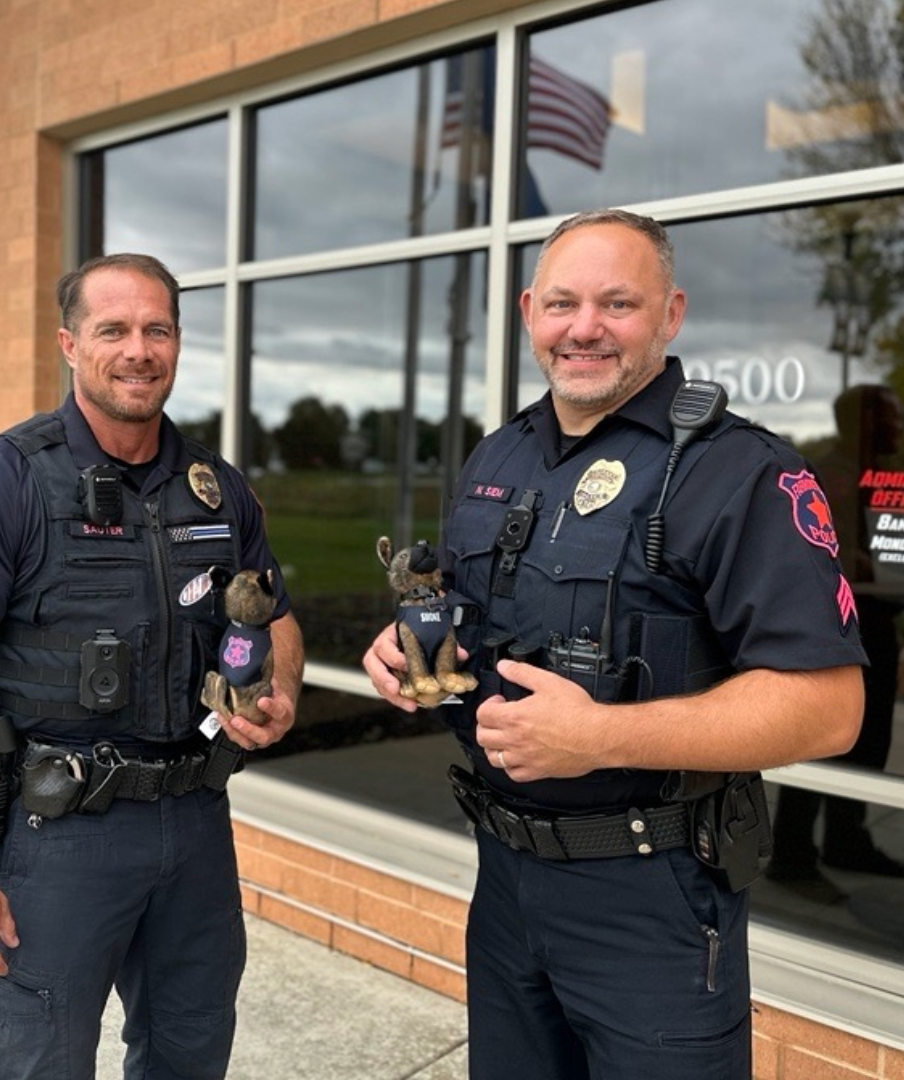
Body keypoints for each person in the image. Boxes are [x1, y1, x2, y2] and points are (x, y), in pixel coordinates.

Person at [363, 208, 866, 1080]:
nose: (584, 328)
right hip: (505, 884)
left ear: (670, 315)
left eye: (617, 304)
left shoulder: (739, 473)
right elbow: (465, 607)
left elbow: (829, 709)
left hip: (655, 899)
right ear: (528, 313)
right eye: (562, 303)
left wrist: (601, 737)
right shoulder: (501, 457)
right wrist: (412, 643)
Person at [0, 253, 304, 1080]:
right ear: (71, 345)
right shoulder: (0, 482)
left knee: (191, 1052)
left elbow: (275, 613)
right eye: (114, 329)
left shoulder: (217, 489)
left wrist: (276, 689)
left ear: (177, 343)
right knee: (40, 1064)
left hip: (194, 824)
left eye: (158, 329)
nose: (138, 349)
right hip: (54, 837)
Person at [767, 384, 904, 898]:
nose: (899, 427)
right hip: (842, 628)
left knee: (871, 745)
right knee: (827, 743)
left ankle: (848, 840)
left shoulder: (881, 476)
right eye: (890, 417)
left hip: (879, 623)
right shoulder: (834, 475)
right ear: (862, 422)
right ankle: (793, 858)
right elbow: (831, 557)